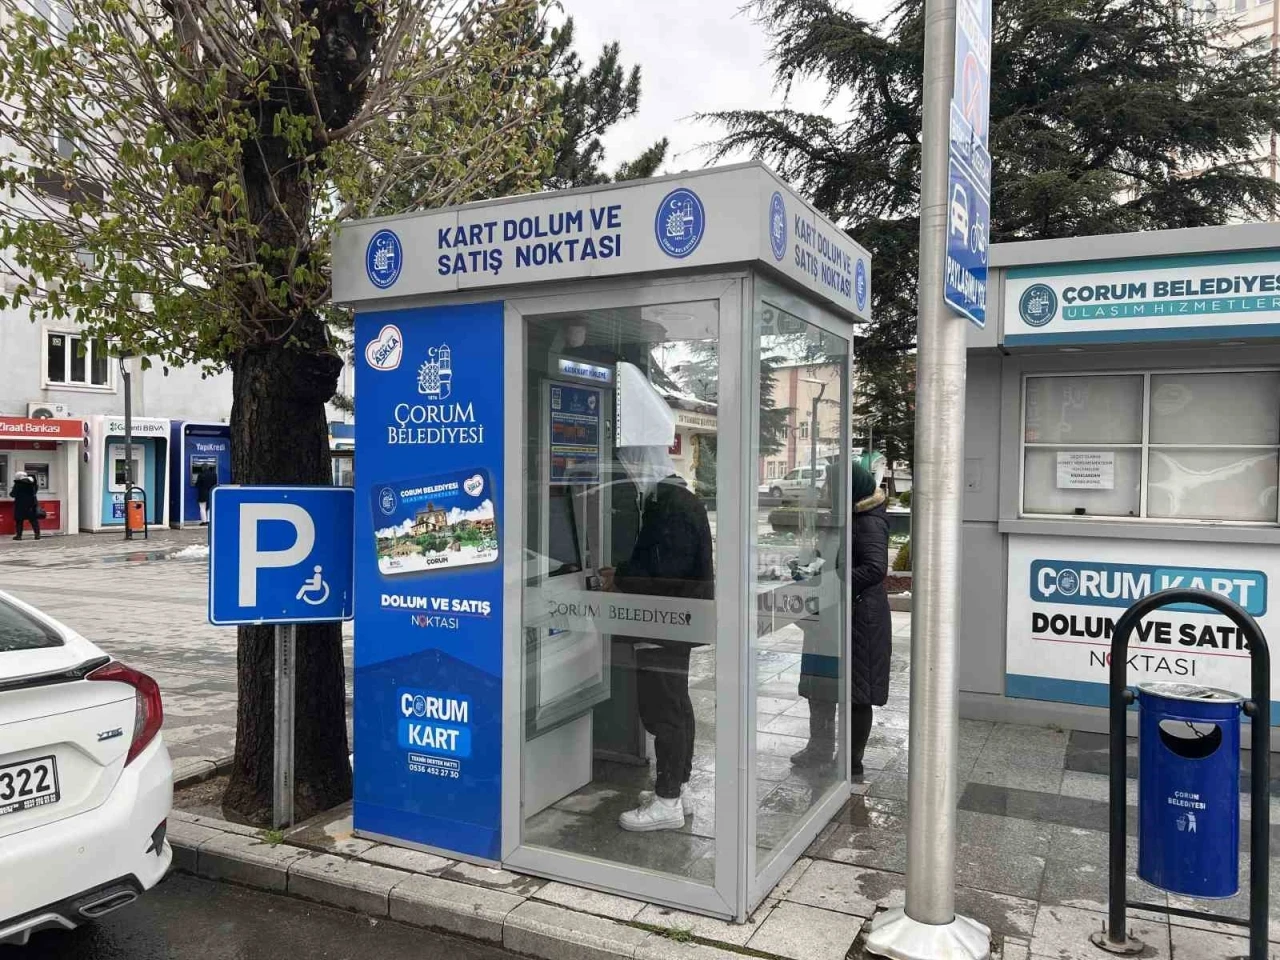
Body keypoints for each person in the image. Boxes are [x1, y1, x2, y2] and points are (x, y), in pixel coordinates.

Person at [608, 443, 714, 833]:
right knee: (676, 706)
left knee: (663, 711)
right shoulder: (674, 498)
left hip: (665, 625)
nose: (628, 474)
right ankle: (678, 789)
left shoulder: (671, 506)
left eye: (629, 465)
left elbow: (665, 573)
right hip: (674, 623)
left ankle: (667, 801)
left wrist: (619, 577)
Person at [846, 459, 891, 778]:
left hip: (864, 615)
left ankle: (853, 761)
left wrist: (836, 579)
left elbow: (875, 568)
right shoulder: (853, 515)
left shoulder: (869, 520)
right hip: (852, 609)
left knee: (859, 691)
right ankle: (825, 748)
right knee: (841, 685)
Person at [9, 470, 41, 541]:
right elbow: (35, 491)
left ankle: (19, 536)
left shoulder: (18, 484)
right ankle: (37, 535)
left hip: (20, 505)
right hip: (31, 504)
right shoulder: (33, 483)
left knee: (19, 520)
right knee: (33, 520)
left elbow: (13, 494)